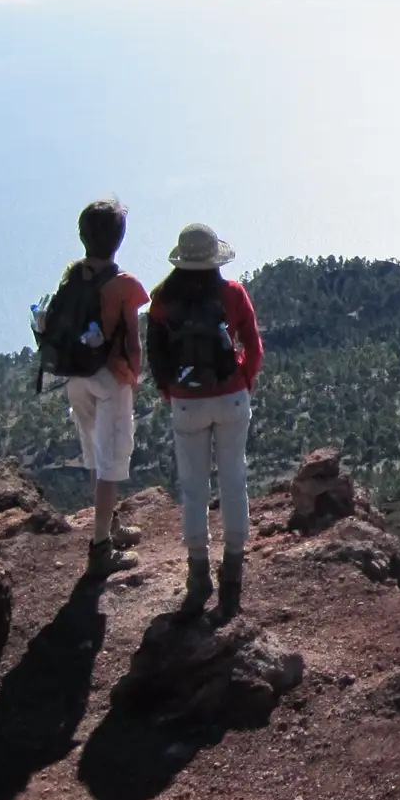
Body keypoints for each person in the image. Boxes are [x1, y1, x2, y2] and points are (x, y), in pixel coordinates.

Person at [146, 223, 264, 620]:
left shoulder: (162, 300)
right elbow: (253, 345)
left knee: (194, 488)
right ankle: (233, 570)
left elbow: (157, 359)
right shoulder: (231, 293)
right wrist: (243, 379)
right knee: (234, 480)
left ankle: (198, 574)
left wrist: (174, 393)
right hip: (230, 396)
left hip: (187, 403)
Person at [47, 200, 150, 579]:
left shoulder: (72, 275)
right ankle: (101, 547)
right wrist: (132, 379)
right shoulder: (125, 285)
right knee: (111, 463)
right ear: (119, 240)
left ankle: (111, 524)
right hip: (110, 379)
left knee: (94, 456)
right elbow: (134, 342)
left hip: (75, 378)